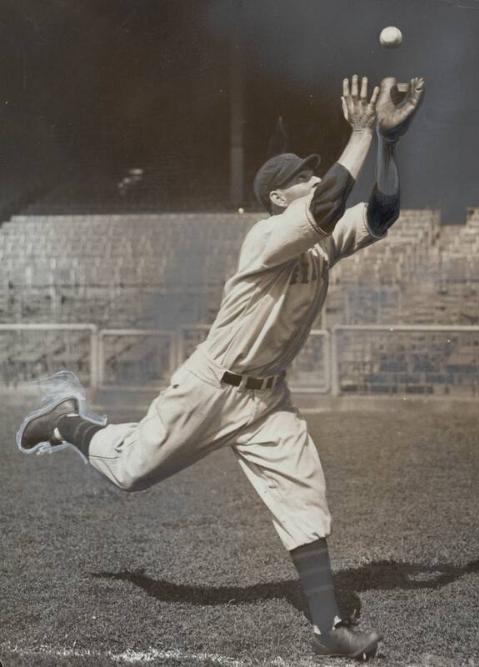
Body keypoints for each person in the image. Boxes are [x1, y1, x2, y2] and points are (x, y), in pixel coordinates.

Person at [18, 74, 424, 661]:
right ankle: (64, 422)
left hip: (265, 401)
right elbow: (331, 197)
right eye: (301, 176)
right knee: (130, 472)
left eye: (313, 170)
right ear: (279, 199)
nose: (313, 176)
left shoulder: (322, 241)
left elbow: (382, 212)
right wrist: (359, 133)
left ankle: (327, 627)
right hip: (212, 387)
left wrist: (387, 142)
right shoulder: (264, 238)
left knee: (304, 495)